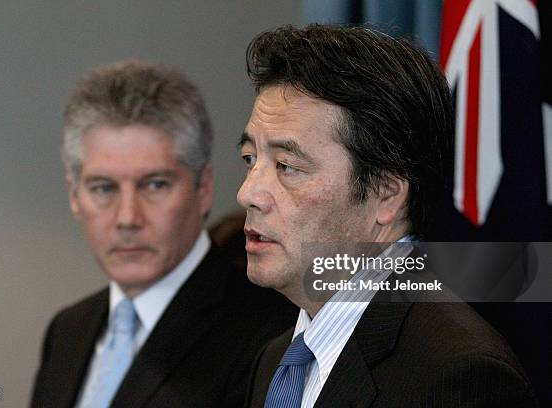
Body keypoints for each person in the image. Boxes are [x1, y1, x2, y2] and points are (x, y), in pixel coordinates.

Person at [237, 25, 538, 407]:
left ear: (386, 194)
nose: (248, 193)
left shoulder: (459, 374)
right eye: (250, 159)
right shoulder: (275, 361)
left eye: (286, 166)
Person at [31, 60, 296, 408]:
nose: (127, 218)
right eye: (103, 188)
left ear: (203, 188)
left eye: (155, 185)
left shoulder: (271, 331)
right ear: (74, 196)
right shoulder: (68, 330)